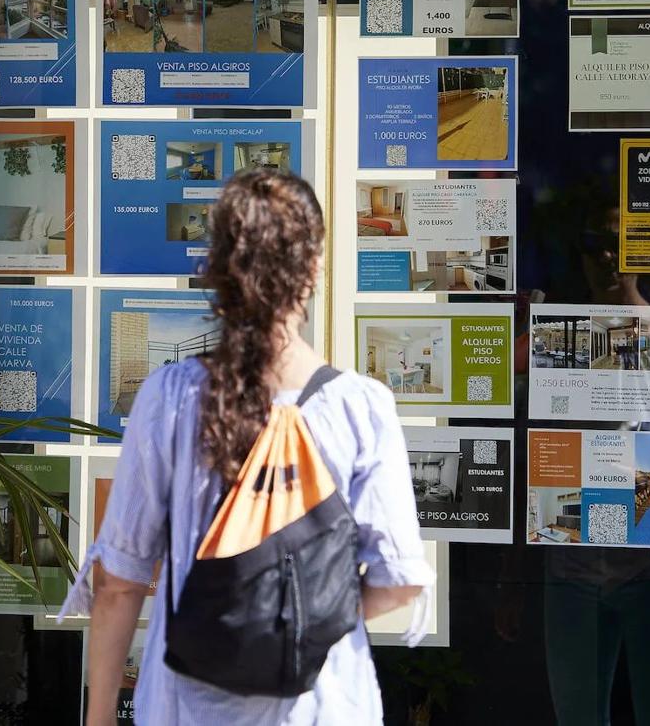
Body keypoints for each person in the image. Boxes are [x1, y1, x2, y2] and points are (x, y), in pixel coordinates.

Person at [60, 170, 433, 725]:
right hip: (322, 707)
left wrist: (99, 717)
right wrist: (295, 620)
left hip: (186, 706)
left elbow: (119, 581)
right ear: (313, 270)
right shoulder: (362, 406)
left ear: (218, 271)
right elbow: (398, 581)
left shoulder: (172, 397)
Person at [500, 196, 650, 726]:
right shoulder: (556, 343)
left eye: (619, 243)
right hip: (572, 567)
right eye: (594, 244)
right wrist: (513, 578)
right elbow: (529, 467)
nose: (606, 256)